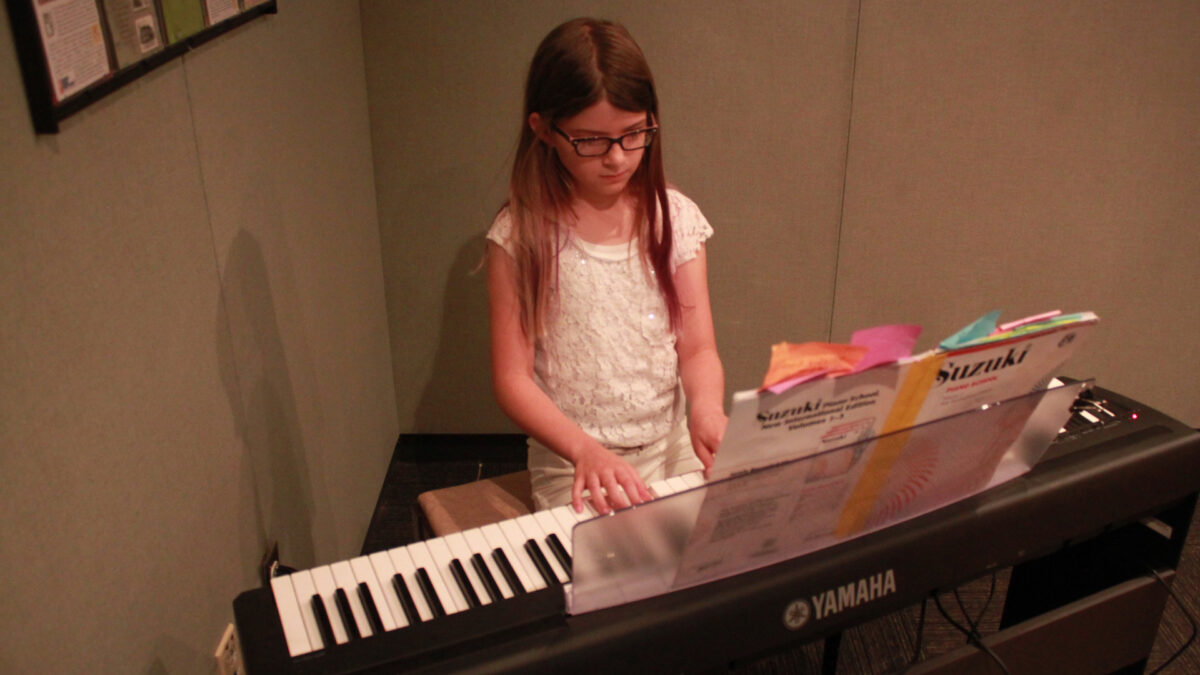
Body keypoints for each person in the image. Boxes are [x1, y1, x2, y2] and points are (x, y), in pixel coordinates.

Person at [487, 17, 727, 515]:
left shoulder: (674, 218)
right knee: (619, 576)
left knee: (717, 559)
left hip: (672, 444)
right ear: (544, 130)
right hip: (574, 460)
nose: (617, 158)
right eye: (592, 140)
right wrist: (584, 450)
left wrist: (704, 410)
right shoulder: (521, 235)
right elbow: (513, 379)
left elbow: (698, 349)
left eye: (634, 134)